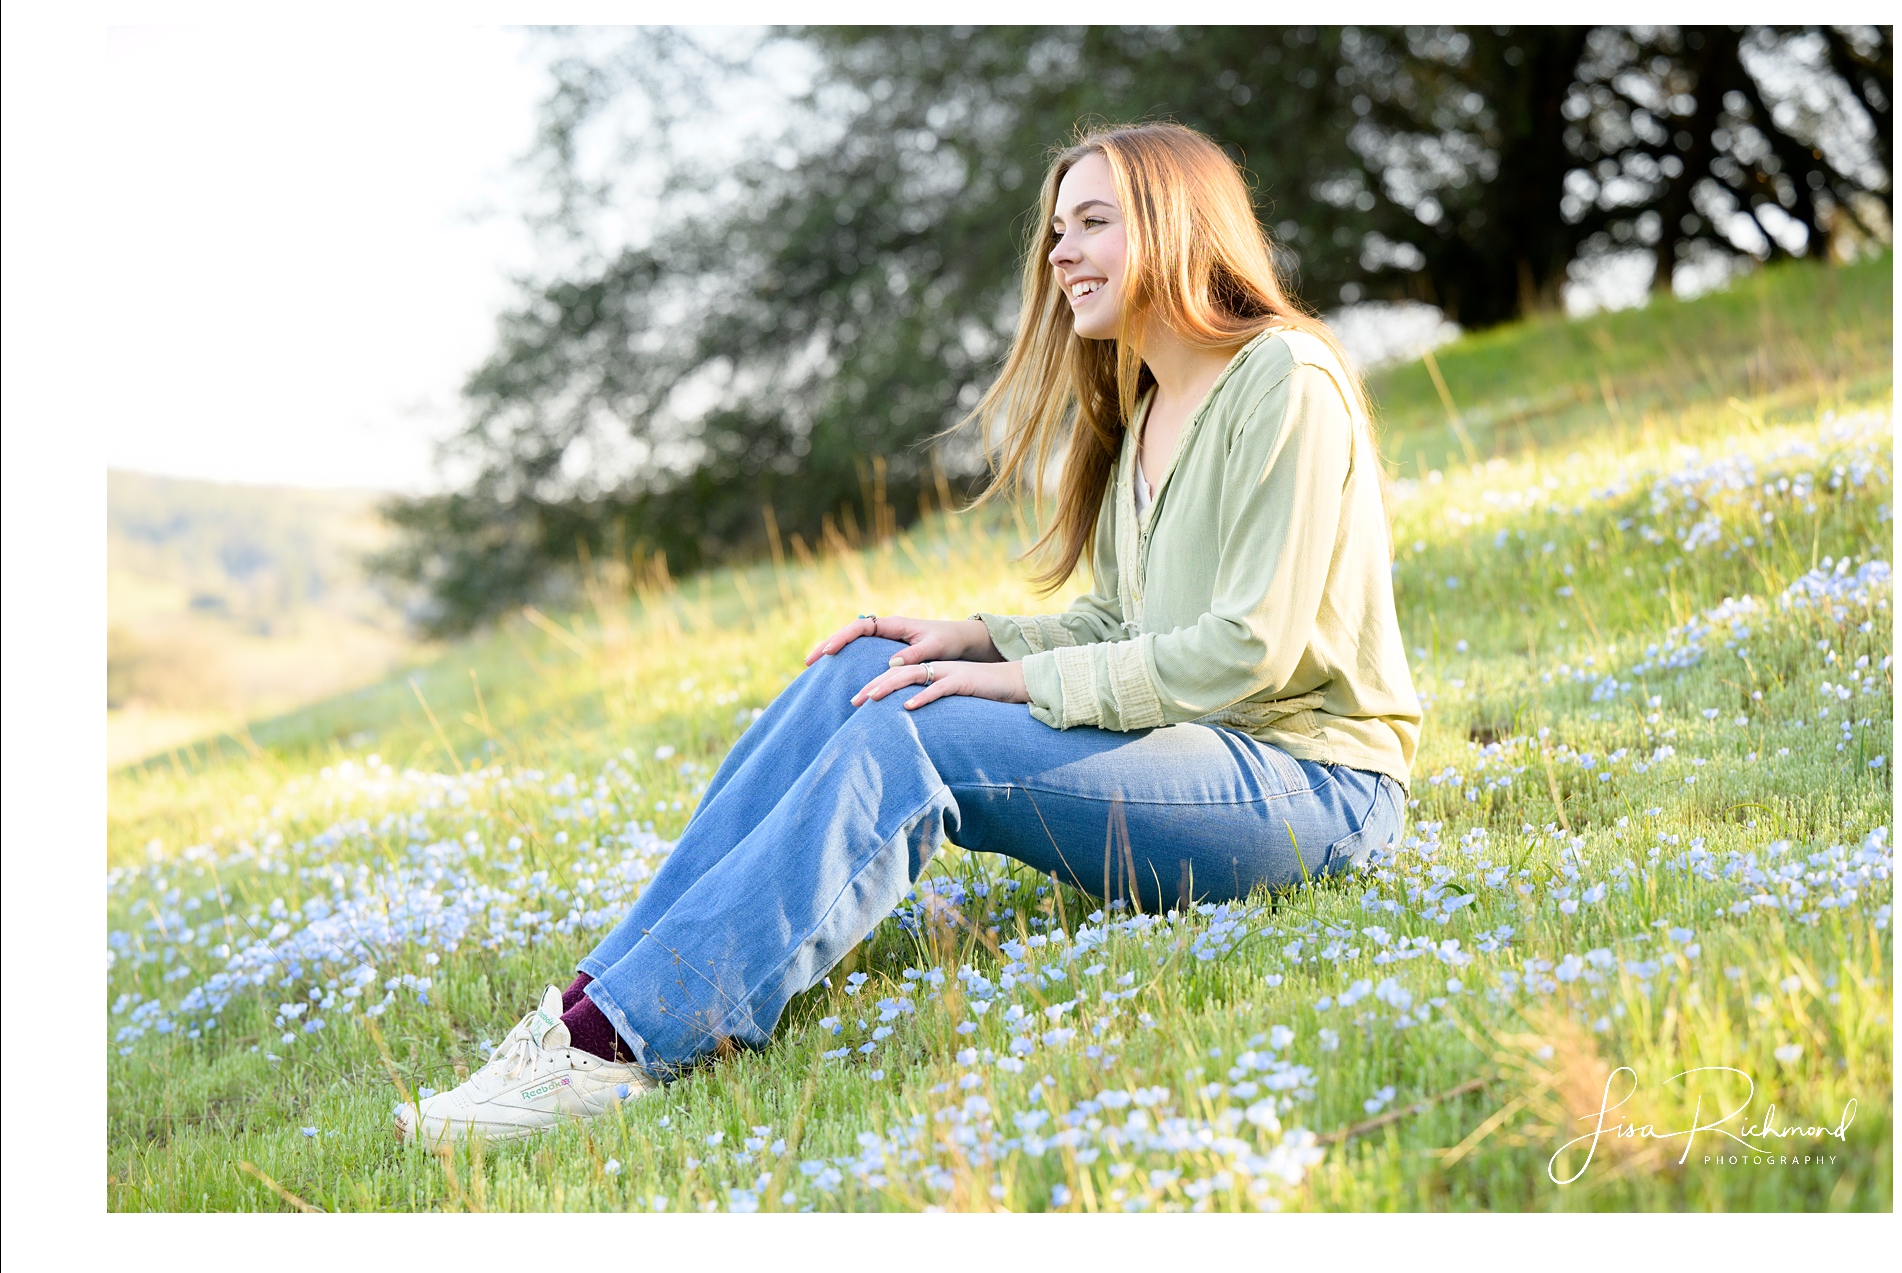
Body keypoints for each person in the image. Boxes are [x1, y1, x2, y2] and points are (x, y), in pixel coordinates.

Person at [395, 123, 1423, 1145]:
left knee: (920, 731)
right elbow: (1124, 622)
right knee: (865, 666)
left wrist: (1012, 690)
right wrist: (976, 640)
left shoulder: (1284, 377)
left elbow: (1245, 649)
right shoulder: (1144, 400)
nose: (1059, 253)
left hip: (1311, 789)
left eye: (1093, 223)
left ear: (1178, 225)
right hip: (1192, 758)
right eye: (1057, 228)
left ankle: (623, 1046)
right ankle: (586, 1005)